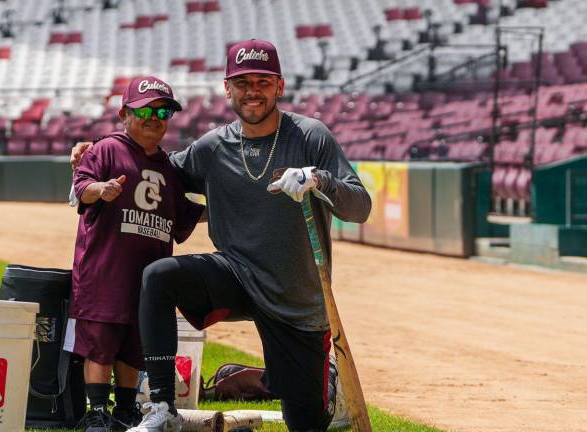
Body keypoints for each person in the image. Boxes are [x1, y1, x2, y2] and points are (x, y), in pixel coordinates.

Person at [72, 39, 371, 432]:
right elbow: (152, 167)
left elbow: (360, 207)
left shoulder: (310, 136)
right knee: (159, 276)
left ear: (280, 86)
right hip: (235, 275)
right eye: (242, 83)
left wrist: (319, 179)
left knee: (306, 423)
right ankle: (163, 407)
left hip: (295, 300)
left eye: (262, 82)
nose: (252, 92)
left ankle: (326, 384)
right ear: (227, 89)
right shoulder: (214, 146)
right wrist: (99, 154)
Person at [70, 76, 205, 432]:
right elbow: (81, 187)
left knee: (135, 345)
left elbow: (186, 215)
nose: (154, 118)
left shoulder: (169, 169)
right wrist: (101, 189)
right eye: (145, 110)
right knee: (101, 345)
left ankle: (126, 409)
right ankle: (98, 411)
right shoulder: (106, 150)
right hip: (104, 273)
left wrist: (236, 207)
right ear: (124, 114)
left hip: (147, 278)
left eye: (162, 112)